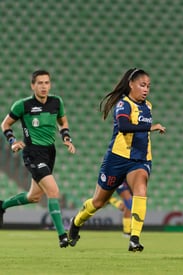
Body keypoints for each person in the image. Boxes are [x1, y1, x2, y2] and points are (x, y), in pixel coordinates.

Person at [68, 68, 166, 252]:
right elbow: (123, 126)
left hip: (140, 160)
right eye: (142, 85)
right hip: (117, 159)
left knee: (141, 190)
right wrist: (150, 127)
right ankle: (76, 222)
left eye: (148, 86)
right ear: (131, 84)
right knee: (98, 202)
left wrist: (147, 130)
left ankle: (134, 239)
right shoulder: (124, 104)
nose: (146, 90)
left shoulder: (148, 106)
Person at [0, 70, 76, 248]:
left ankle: (2, 205)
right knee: (53, 191)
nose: (44, 86)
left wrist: (66, 137)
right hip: (32, 152)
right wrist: (12, 141)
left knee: (33, 196)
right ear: (32, 85)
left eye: (47, 83)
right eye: (40, 83)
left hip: (50, 152)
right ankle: (62, 236)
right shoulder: (23, 105)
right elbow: (5, 124)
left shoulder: (57, 102)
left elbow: (63, 122)